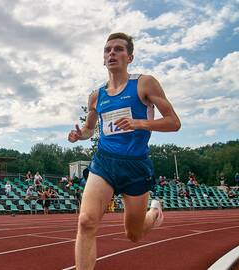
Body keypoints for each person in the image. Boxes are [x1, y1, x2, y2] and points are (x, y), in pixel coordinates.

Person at [67, 32, 181, 269]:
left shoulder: (144, 83)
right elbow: (89, 129)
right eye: (108, 50)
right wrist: (80, 136)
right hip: (104, 163)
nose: (112, 53)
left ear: (129, 57)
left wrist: (141, 123)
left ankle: (154, 214)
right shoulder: (96, 96)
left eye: (118, 49)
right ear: (103, 59)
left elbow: (173, 122)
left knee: (134, 234)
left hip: (136, 166)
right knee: (86, 222)